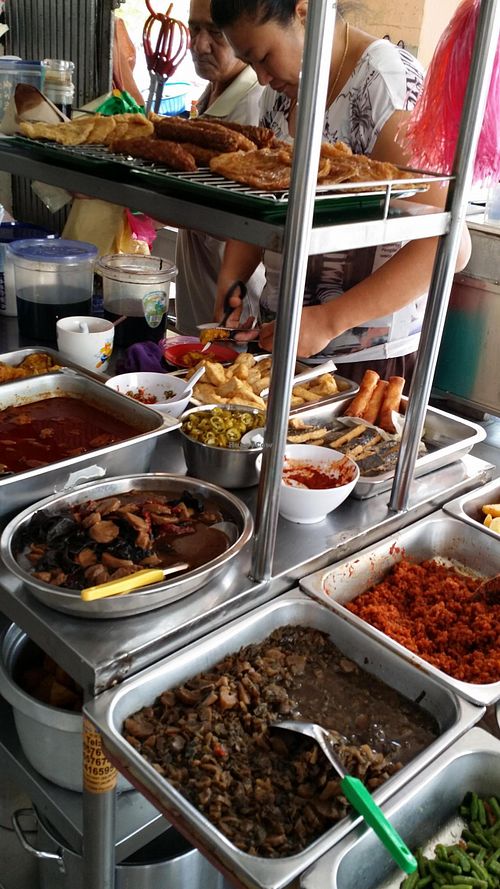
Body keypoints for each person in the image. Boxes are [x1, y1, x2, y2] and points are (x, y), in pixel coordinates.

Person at [210, 0, 471, 385]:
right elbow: (263, 207)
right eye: (250, 63)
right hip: (282, 341)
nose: (262, 78)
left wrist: (329, 320)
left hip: (366, 363)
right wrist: (231, 281)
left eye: (264, 56)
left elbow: (448, 244)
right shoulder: (279, 95)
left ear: (304, 11)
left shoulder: (384, 84)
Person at [173, 0, 266, 337]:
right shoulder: (211, 93)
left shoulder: (256, 104)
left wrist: (133, 196)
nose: (199, 45)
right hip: (202, 301)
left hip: (239, 306)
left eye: (215, 32)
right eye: (194, 29)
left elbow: (233, 219)